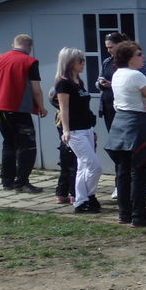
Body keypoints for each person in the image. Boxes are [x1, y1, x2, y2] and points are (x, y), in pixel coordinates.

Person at [104, 41, 146, 228]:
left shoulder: (117, 74)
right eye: (139, 54)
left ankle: (124, 213)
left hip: (119, 123)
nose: (143, 57)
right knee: (139, 171)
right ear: (129, 59)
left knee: (123, 172)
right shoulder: (136, 75)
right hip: (136, 124)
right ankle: (139, 215)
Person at [0, 33, 47, 192]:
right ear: (29, 46)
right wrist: (41, 107)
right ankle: (22, 182)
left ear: (13, 44)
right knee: (28, 145)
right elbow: (36, 90)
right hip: (18, 109)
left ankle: (7, 181)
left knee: (9, 142)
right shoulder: (30, 61)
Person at [54, 47, 102, 214]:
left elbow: (84, 107)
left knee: (83, 167)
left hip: (86, 128)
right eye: (80, 60)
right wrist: (66, 131)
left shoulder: (78, 81)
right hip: (75, 132)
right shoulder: (63, 83)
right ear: (69, 62)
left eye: (83, 60)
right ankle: (89, 195)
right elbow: (64, 109)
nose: (83, 63)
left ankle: (81, 201)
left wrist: (91, 129)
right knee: (94, 166)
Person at [49, 85, 77, 204]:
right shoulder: (68, 115)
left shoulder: (58, 114)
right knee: (74, 169)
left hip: (63, 147)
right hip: (72, 145)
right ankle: (74, 194)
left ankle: (61, 194)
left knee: (65, 169)